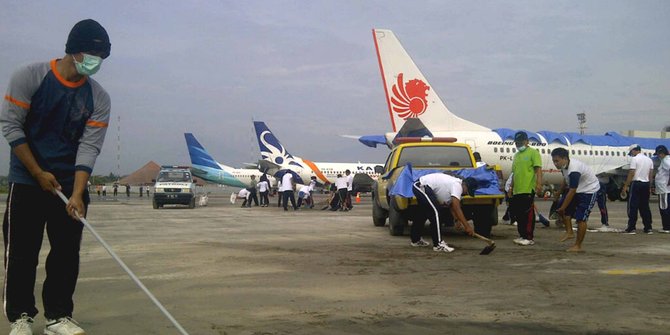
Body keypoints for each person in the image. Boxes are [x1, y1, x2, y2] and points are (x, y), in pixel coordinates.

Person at [0, 19, 111, 335]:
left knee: (66, 253)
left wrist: (77, 194)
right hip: (27, 180)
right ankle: (20, 316)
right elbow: (11, 127)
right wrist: (36, 172)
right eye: (92, 54)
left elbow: (89, 147)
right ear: (75, 51)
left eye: (101, 57)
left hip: (68, 184)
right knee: (22, 252)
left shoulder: (98, 98)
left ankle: (58, 316)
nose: (96, 62)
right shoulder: (30, 77)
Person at [410, 172, 476, 253]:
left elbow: (452, 205)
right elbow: (456, 206)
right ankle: (438, 244)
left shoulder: (457, 187)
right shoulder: (457, 185)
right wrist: (467, 226)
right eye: (468, 191)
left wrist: (456, 220)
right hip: (422, 185)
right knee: (436, 213)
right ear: (465, 185)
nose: (466, 194)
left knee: (423, 213)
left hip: (423, 186)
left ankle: (415, 240)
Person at [551, 148, 600, 252]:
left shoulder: (574, 170)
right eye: (554, 161)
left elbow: (572, 190)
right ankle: (569, 232)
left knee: (581, 219)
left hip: (588, 191)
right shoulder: (564, 166)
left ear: (564, 158)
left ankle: (578, 246)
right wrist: (559, 192)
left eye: (557, 161)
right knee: (564, 211)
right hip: (578, 189)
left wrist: (563, 207)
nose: (555, 164)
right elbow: (566, 179)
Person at [509, 131, 543, 246]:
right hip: (517, 190)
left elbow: (538, 169)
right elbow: (514, 173)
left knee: (527, 213)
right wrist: (511, 187)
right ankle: (522, 235)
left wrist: (539, 184)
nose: (518, 144)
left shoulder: (533, 153)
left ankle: (529, 237)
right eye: (516, 143)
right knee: (519, 214)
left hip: (528, 188)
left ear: (527, 141)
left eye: (520, 142)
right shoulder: (516, 155)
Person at [621, 144, 654, 234]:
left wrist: (625, 186)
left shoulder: (634, 159)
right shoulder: (649, 160)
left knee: (633, 206)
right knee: (645, 206)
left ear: (633, 151)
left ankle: (631, 228)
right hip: (646, 184)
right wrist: (650, 186)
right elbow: (650, 174)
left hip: (636, 184)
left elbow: (632, 173)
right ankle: (648, 227)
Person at [653, 145, 670, 233]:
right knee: (665, 207)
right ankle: (666, 226)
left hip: (664, 189)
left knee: (664, 208)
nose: (658, 156)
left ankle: (667, 227)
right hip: (663, 189)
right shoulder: (666, 160)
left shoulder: (666, 160)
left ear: (662, 153)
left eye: (658, 154)